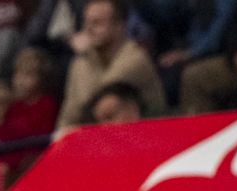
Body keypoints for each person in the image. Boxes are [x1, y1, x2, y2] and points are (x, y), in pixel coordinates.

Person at [59, 0, 167, 128]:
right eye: (86, 23)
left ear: (119, 26)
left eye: (97, 23)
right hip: (97, 139)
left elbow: (95, 103)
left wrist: (86, 54)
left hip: (146, 136)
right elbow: (68, 115)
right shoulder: (80, 64)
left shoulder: (135, 59)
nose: (88, 30)